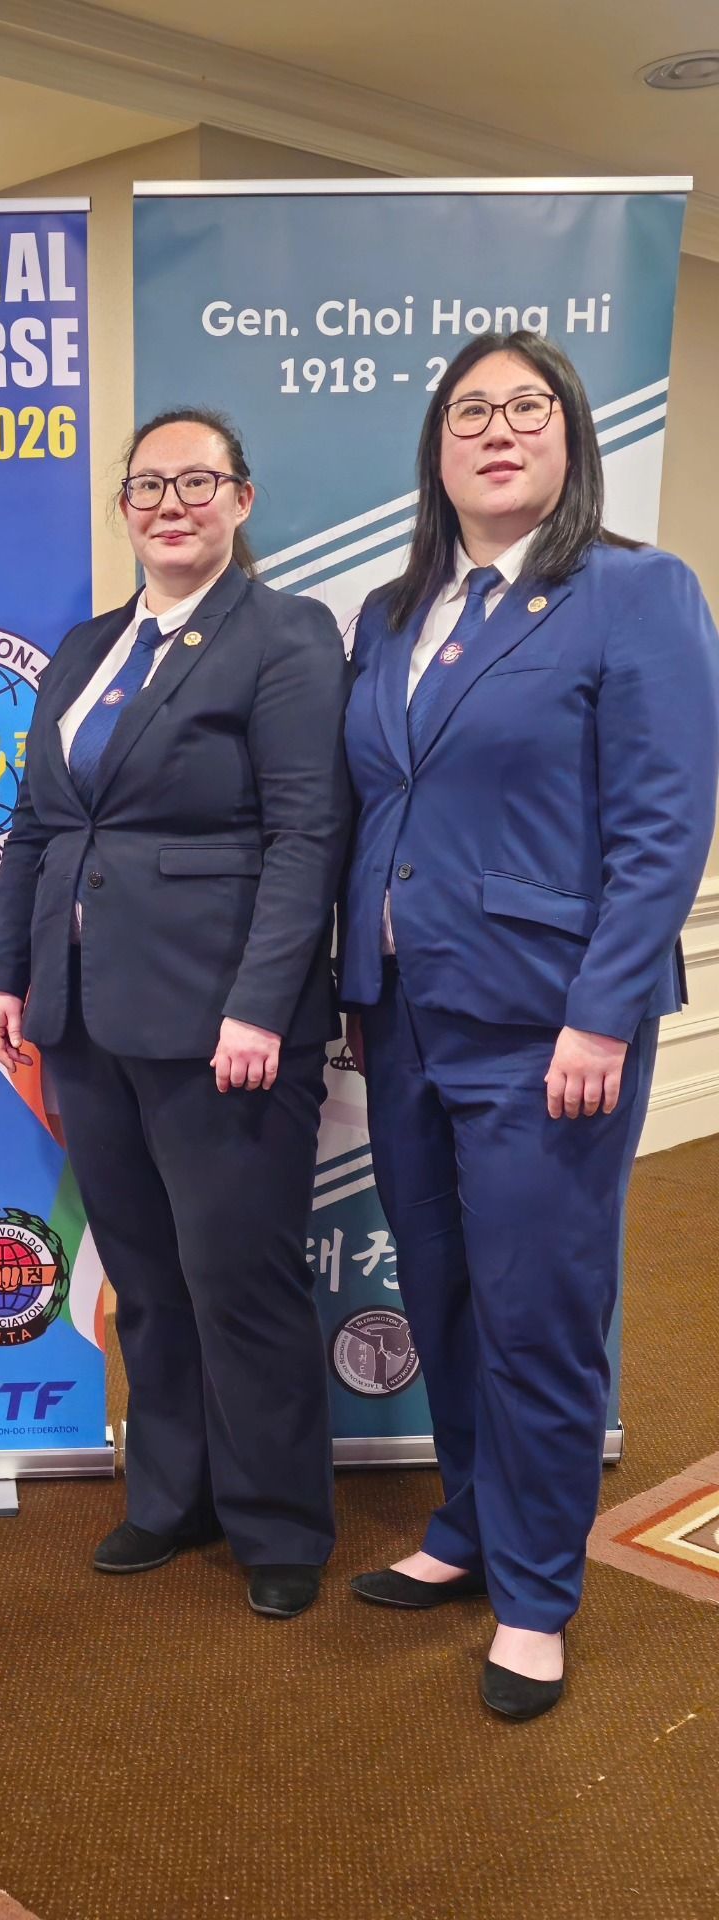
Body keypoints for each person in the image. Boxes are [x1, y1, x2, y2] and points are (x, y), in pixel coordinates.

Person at [340, 331, 719, 1720]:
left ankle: (540, 1592)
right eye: (470, 412)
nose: (498, 431)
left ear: (568, 440)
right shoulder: (392, 613)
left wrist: (604, 1016)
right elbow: (378, 806)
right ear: (437, 450)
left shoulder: (633, 594)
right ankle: (467, 1524)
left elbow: (664, 824)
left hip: (548, 1027)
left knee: (541, 1312)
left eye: (528, 409)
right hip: (401, 1020)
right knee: (437, 1289)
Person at [0, 407, 351, 1618]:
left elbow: (307, 837)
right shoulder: (84, 650)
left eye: (199, 482)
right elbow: (38, 826)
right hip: (85, 1020)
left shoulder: (286, 637)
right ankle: (171, 1495)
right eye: (148, 486)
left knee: (240, 1278)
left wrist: (260, 1007)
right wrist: (5, 975)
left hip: (223, 1027)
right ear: (125, 509)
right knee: (145, 1276)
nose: (172, 503)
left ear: (243, 501)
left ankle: (280, 1523)